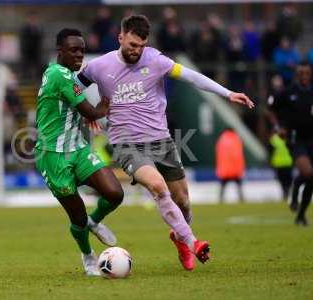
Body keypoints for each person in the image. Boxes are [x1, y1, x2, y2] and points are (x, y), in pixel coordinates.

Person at [76, 15, 254, 271]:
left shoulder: (156, 60)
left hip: (162, 142)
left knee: (183, 203)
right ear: (120, 37)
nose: (136, 51)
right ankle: (193, 242)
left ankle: (179, 237)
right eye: (132, 45)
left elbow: (192, 77)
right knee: (158, 187)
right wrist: (87, 112)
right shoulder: (99, 66)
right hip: (126, 145)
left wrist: (227, 93)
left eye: (141, 45)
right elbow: (73, 87)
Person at [34, 28, 124, 276]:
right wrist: (109, 95)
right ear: (59, 51)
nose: (79, 55)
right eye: (73, 50)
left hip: (78, 147)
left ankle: (95, 222)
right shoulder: (59, 74)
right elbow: (93, 111)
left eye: (82, 50)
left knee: (115, 193)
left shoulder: (64, 75)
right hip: (53, 155)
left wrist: (86, 115)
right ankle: (88, 256)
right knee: (77, 217)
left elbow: (72, 109)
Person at [267, 62, 313, 226]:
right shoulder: (287, 93)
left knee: (310, 179)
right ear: (296, 74)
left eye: (307, 73)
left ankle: (300, 214)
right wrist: (278, 127)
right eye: (301, 73)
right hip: (295, 138)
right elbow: (270, 109)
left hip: (311, 139)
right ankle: (294, 192)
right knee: (308, 173)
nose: (304, 76)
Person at [215, 128, 245, 203]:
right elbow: (240, 155)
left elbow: (218, 155)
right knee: (239, 186)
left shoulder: (221, 139)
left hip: (225, 169)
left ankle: (220, 200)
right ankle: (241, 199)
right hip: (236, 169)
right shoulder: (237, 139)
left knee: (223, 186)